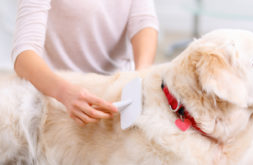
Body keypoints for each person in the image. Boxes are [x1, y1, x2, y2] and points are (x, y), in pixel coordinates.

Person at [12, 0, 159, 126]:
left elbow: (143, 22)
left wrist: (140, 78)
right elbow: (24, 55)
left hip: (117, 91)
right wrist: (63, 92)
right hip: (56, 96)